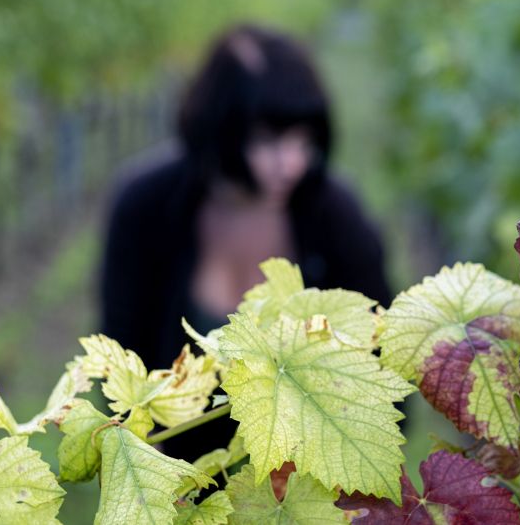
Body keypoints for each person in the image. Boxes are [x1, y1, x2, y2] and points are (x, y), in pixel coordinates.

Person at [98, 25, 391, 463]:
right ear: (220, 127)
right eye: (268, 140)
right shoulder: (146, 208)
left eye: (304, 141)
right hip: (175, 482)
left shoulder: (334, 216)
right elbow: (121, 366)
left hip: (302, 486)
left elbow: (385, 363)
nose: (291, 163)